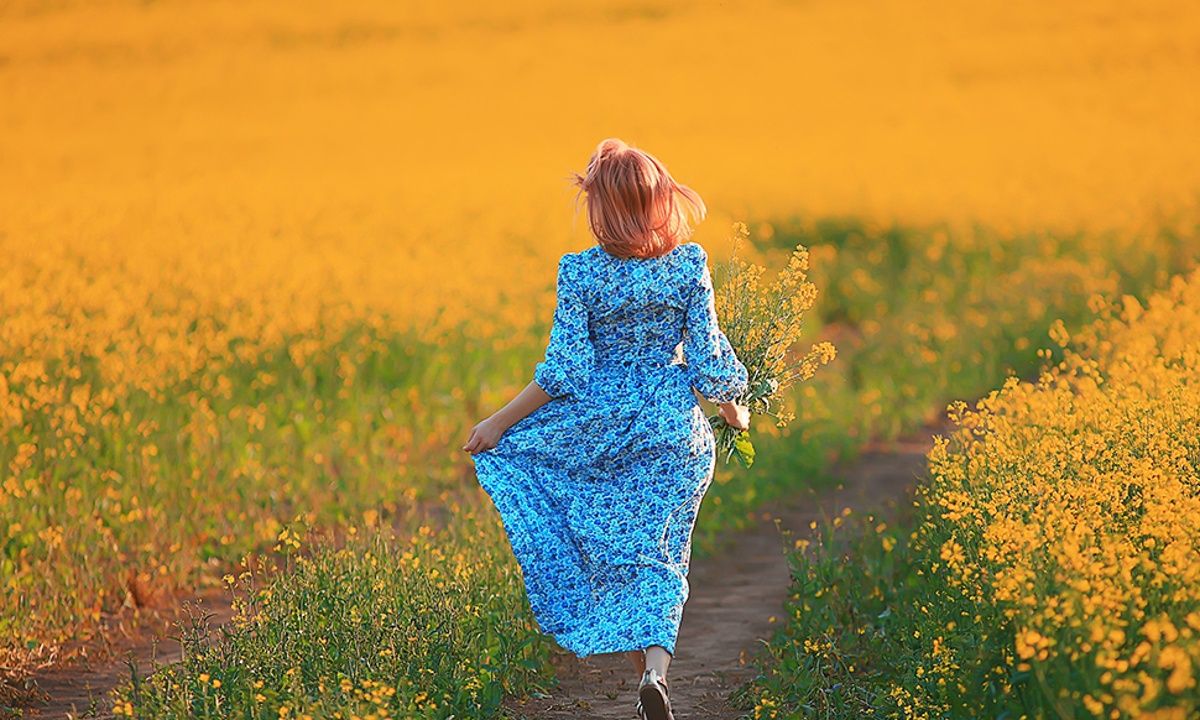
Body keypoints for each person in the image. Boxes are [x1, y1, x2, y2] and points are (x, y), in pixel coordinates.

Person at [463, 137, 750, 720]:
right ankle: (655, 672)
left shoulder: (580, 273)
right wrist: (731, 406)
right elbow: (709, 357)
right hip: (671, 429)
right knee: (665, 551)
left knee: (613, 545)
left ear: (599, 207)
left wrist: (497, 424)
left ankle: (636, 662)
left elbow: (564, 372)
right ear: (659, 200)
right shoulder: (689, 264)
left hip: (599, 431)